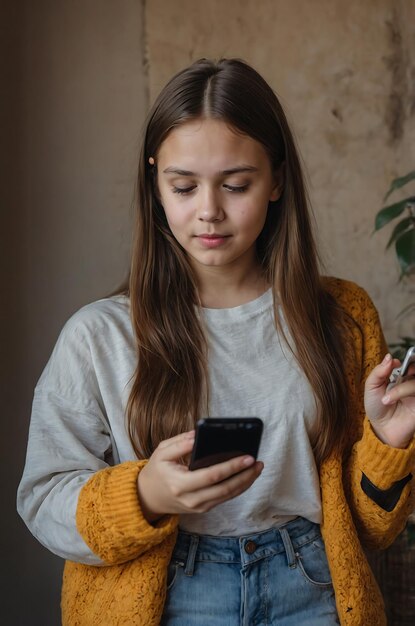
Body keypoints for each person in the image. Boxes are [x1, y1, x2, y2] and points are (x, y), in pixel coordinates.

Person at [17, 58, 415, 626]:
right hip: (166, 591)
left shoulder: (342, 317)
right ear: (154, 183)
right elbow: (41, 500)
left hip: (313, 583)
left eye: (236, 185)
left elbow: (370, 530)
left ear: (277, 179)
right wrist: (148, 494)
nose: (208, 210)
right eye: (183, 186)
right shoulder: (98, 336)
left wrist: (385, 440)